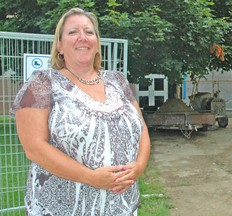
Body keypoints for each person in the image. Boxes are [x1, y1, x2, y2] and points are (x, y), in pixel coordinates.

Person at [11, 8, 150, 216]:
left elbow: (142, 130)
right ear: (59, 45)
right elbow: (34, 147)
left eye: (89, 32)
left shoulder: (117, 81)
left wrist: (138, 166)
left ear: (96, 43)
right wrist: (89, 177)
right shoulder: (41, 83)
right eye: (73, 32)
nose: (82, 38)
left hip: (121, 207)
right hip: (63, 209)